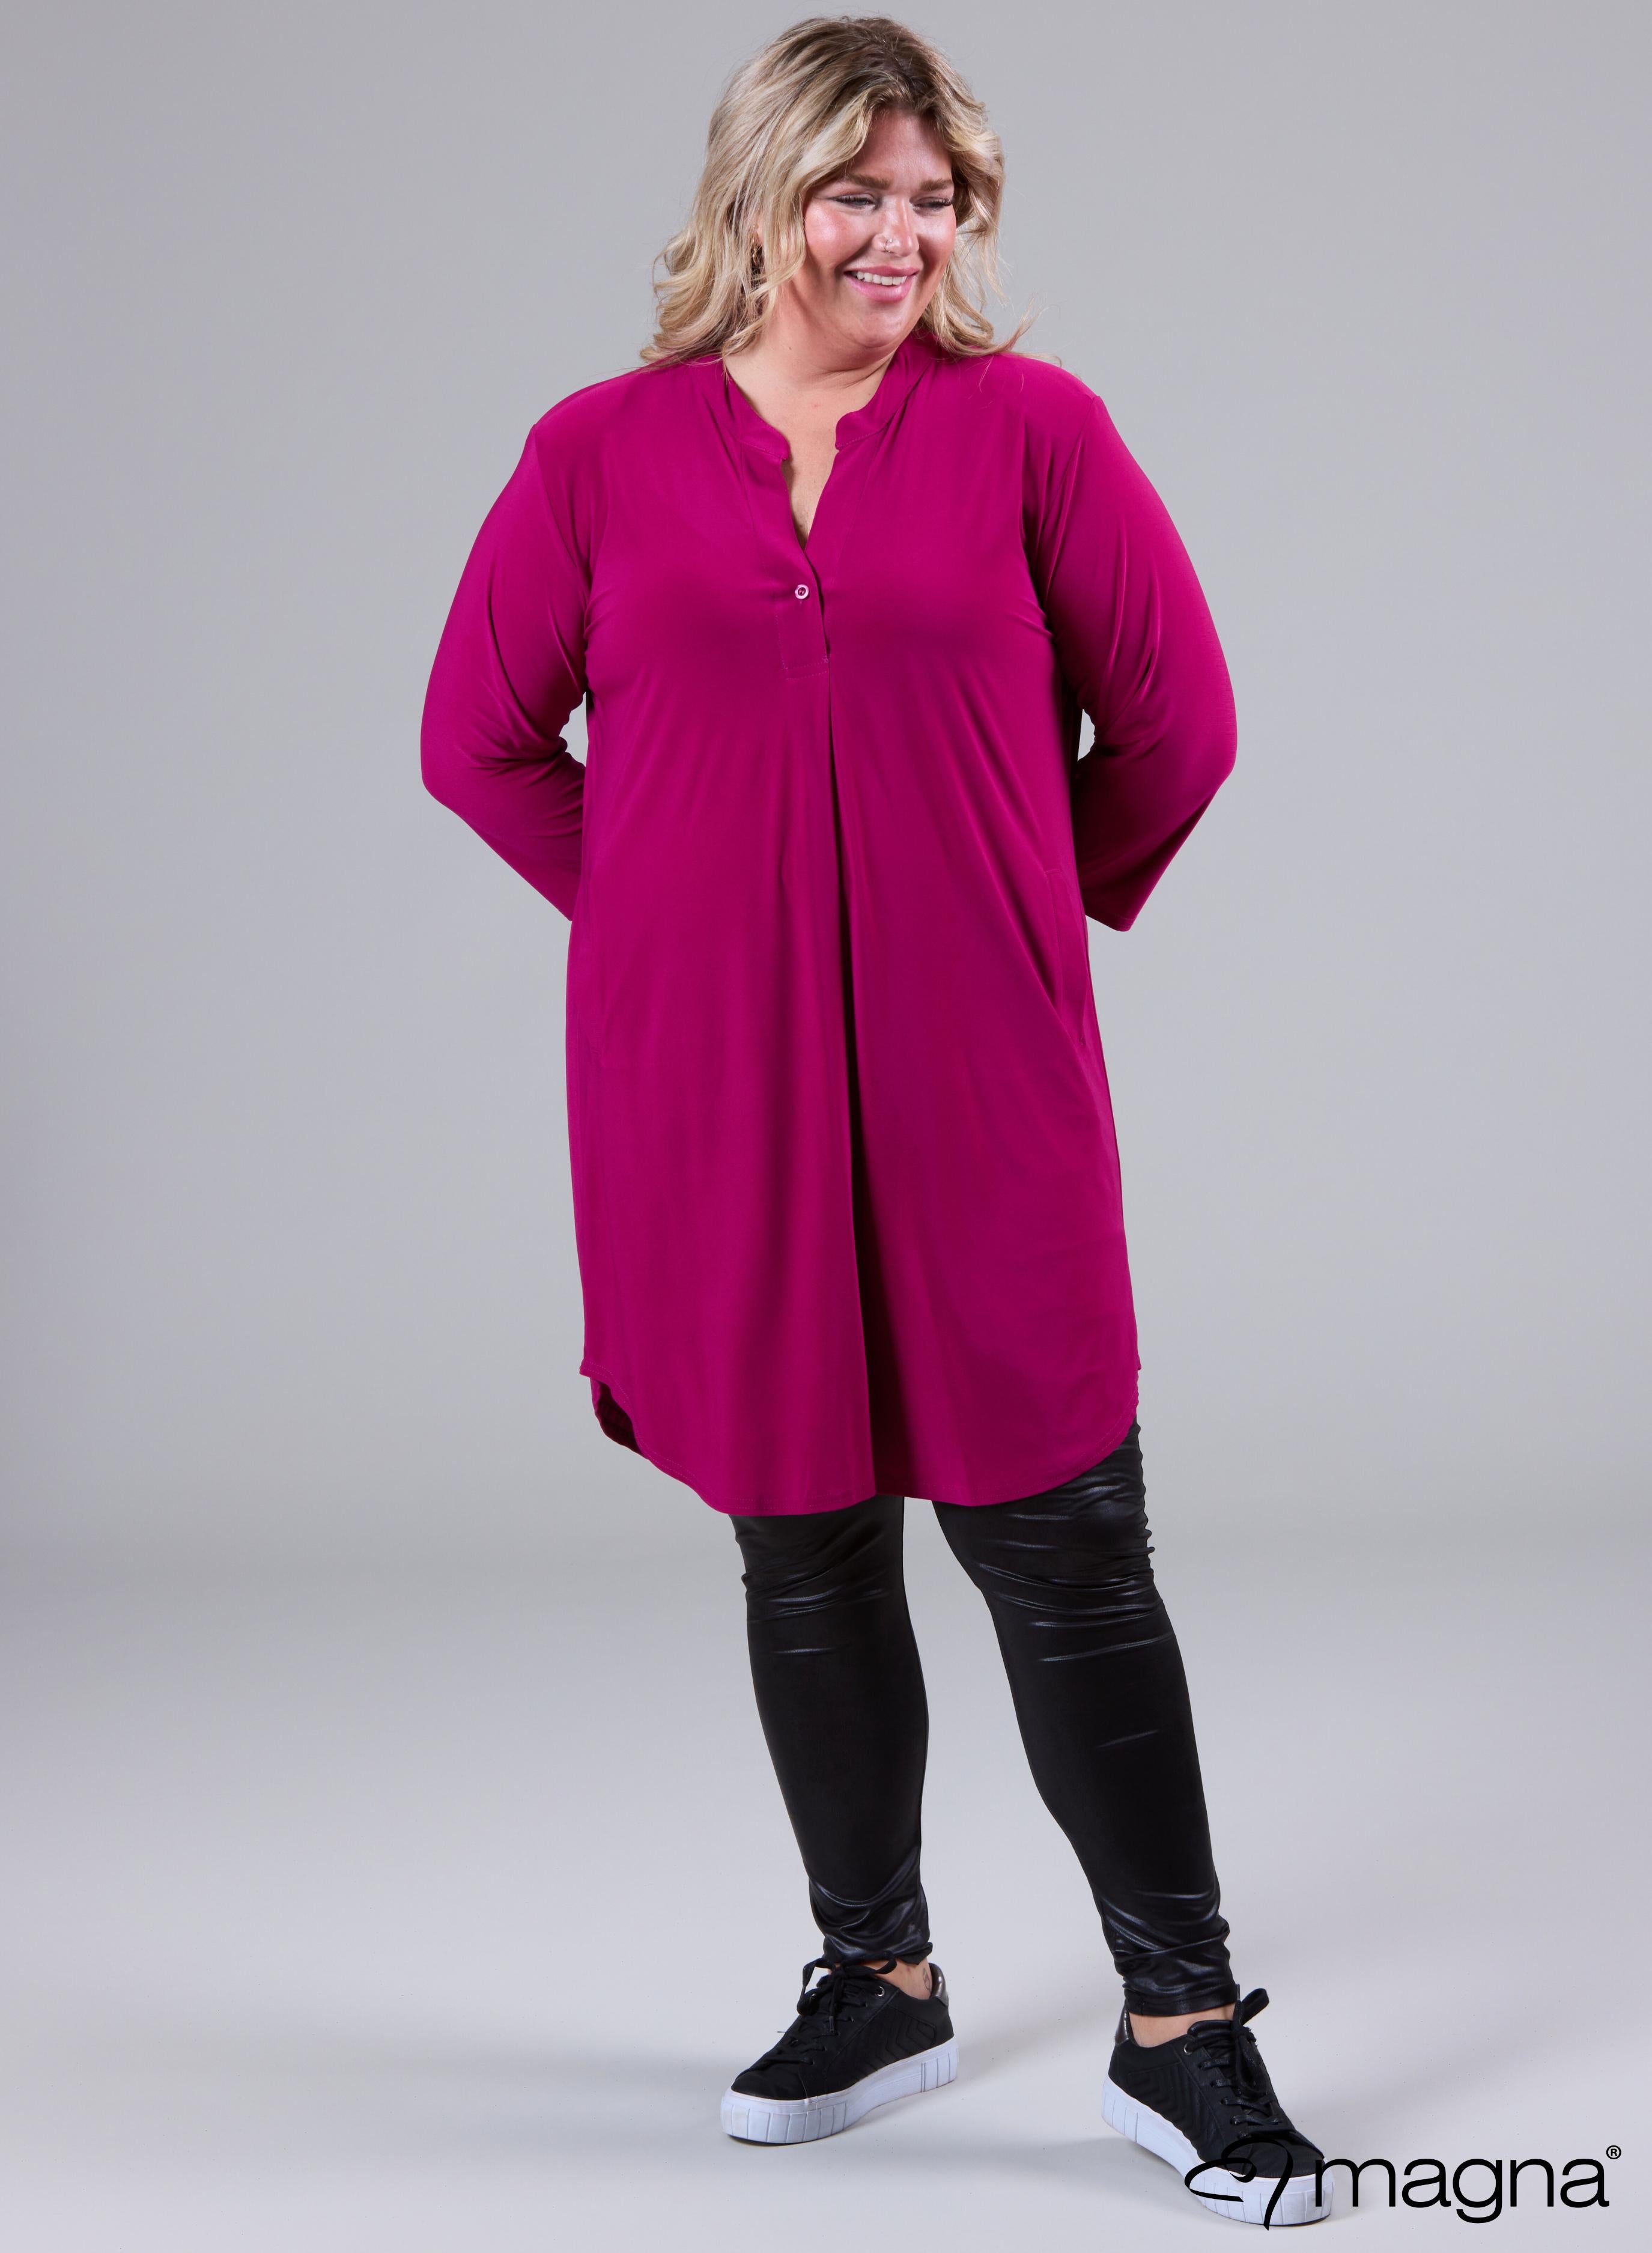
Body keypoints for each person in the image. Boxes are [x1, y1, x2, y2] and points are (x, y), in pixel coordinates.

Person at [422, 14, 1327, 2228]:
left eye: (936, 199)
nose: (902, 236)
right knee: (804, 1539)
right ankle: (878, 1979)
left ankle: (1183, 2024)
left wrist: (1006, 901)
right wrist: (673, 923)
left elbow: (1182, 722)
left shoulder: (1032, 435)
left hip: (978, 1073)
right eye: (861, 194)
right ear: (762, 196)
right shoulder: (598, 454)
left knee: (1068, 1541)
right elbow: (480, 738)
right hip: (712, 1089)